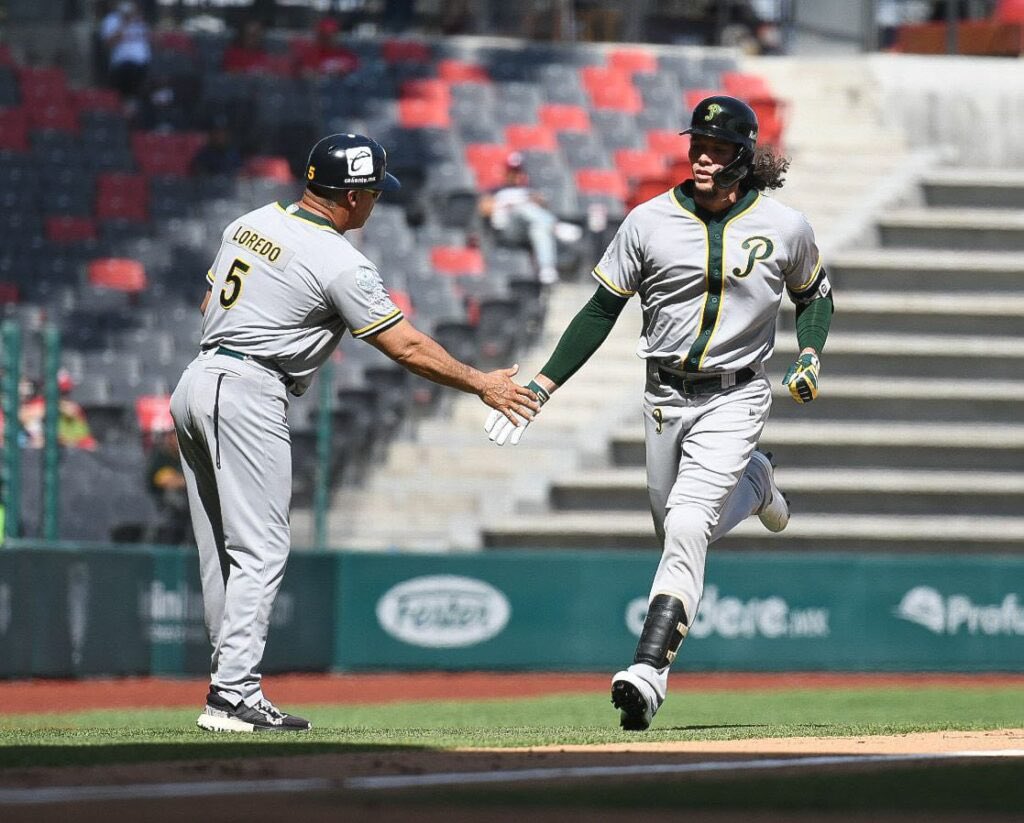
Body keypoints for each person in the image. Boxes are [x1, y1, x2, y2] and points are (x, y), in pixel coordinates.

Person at [484, 96, 834, 731]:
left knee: (687, 524)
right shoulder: (647, 222)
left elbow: (816, 296)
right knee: (672, 525)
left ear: (743, 156)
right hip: (663, 398)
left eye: (716, 147)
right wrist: (541, 387)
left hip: (736, 393)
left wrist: (810, 352)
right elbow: (599, 310)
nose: (701, 156)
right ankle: (755, 485)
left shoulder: (786, 226)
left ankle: (648, 673)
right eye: (696, 144)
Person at [171, 133, 538, 733]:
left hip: (198, 377)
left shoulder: (252, 220)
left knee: (223, 549)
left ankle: (227, 685)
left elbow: (210, 294)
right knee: (261, 548)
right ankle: (233, 693)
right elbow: (406, 345)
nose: (374, 203)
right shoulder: (339, 259)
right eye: (370, 192)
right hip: (250, 388)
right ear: (349, 197)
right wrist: (482, 384)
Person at [478, 152, 560, 286]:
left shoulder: (528, 190)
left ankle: (547, 269)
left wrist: (530, 200)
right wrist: (508, 204)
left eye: (518, 171)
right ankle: (555, 226)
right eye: (512, 171)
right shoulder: (496, 190)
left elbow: (543, 202)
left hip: (527, 230)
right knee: (523, 209)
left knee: (539, 230)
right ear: (506, 171)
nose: (515, 175)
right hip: (507, 229)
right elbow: (484, 208)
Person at [19, 371, 98, 451]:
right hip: (49, 446)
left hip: (77, 447)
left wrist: (59, 407)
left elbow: (70, 412)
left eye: (64, 392)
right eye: (60, 391)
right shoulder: (41, 402)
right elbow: (24, 415)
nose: (62, 395)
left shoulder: (71, 407)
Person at [99, 1, 152, 112]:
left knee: (142, 97)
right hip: (122, 66)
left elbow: (154, 41)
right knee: (123, 98)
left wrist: (142, 23)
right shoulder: (111, 19)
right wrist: (125, 22)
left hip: (142, 65)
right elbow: (109, 43)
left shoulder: (141, 20)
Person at [146, 425, 192, 545]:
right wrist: (185, 481)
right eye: (174, 436)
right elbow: (164, 480)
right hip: (162, 507)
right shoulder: (161, 456)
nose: (177, 440)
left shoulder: (188, 456)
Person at [294, 17, 360, 77]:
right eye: (325, 36)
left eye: (333, 35)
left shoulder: (348, 56)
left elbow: (356, 73)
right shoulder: (308, 56)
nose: (329, 39)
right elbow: (303, 74)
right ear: (318, 36)